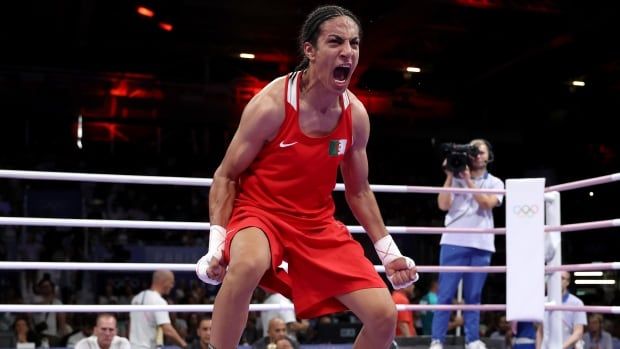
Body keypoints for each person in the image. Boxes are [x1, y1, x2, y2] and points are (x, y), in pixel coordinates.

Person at [194, 5, 418, 349]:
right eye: (335, 41)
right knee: (246, 267)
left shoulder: (356, 116)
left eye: (355, 43)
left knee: (384, 315)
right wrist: (217, 244)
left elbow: (358, 191)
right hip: (260, 214)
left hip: (317, 225)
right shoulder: (271, 105)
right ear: (310, 50)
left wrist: (388, 253)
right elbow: (226, 175)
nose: (348, 52)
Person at [430, 139, 504, 349]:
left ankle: (472, 339)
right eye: (473, 152)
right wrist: (450, 176)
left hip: (481, 243)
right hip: (453, 241)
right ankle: (437, 340)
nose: (477, 155)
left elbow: (487, 203)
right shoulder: (455, 178)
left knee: (474, 295)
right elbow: (443, 205)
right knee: (445, 293)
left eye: (480, 151)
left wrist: (469, 181)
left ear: (489, 156)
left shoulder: (496, 183)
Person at [129, 270, 187, 349]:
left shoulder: (136, 298)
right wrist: (183, 344)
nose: (172, 286)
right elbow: (167, 330)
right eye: (171, 282)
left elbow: (130, 325)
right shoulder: (159, 301)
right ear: (165, 282)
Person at [539, 271, 587, 349]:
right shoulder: (543, 302)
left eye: (562, 278)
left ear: (567, 282)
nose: (558, 281)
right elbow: (540, 331)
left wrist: (560, 347)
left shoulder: (576, 303)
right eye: (556, 278)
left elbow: (578, 332)